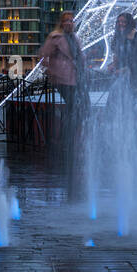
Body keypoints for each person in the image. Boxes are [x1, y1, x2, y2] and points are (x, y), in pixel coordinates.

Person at [40, 11, 89, 192]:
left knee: (81, 107)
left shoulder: (74, 38)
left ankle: (73, 138)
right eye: (66, 20)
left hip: (76, 78)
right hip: (64, 78)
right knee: (72, 107)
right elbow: (43, 55)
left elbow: (80, 56)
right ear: (61, 23)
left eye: (71, 20)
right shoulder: (56, 37)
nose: (69, 23)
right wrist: (52, 71)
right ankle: (67, 138)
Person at [110, 13, 137, 94]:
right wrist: (113, 65)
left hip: (134, 77)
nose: (121, 24)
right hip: (121, 75)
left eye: (124, 22)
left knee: (120, 98)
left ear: (129, 23)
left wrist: (125, 69)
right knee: (115, 99)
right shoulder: (118, 36)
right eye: (119, 22)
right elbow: (116, 54)